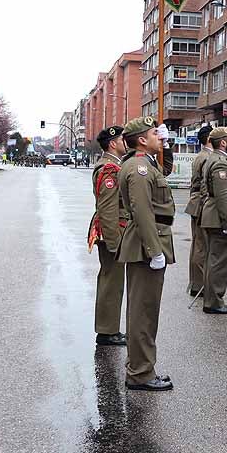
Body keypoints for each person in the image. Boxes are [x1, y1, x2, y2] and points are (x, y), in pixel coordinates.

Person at [116, 116, 175, 392]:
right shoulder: (138, 168)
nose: (159, 137)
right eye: (155, 133)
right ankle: (139, 372)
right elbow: (142, 212)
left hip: (148, 243)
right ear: (142, 139)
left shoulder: (146, 163)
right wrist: (155, 251)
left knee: (146, 310)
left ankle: (142, 368)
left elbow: (165, 170)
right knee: (143, 312)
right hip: (145, 246)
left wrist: (167, 142)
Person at [88, 126, 128, 347]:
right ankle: (107, 331)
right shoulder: (110, 168)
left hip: (116, 229)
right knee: (111, 282)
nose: (125, 143)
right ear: (113, 143)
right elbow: (108, 209)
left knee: (112, 281)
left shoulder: (115, 165)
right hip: (113, 231)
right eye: (122, 139)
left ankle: (109, 328)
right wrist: (114, 243)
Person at [200, 127, 227, 315]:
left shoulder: (219, 159)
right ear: (223, 142)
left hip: (216, 217)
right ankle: (214, 301)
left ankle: (212, 299)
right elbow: (222, 196)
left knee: (215, 260)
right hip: (221, 218)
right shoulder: (220, 163)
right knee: (219, 261)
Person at [184, 125, 214, 297]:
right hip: (202, 203)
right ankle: (199, 284)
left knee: (198, 244)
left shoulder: (202, 156)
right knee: (202, 246)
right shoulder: (206, 158)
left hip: (197, 202)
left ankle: (197, 283)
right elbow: (204, 185)